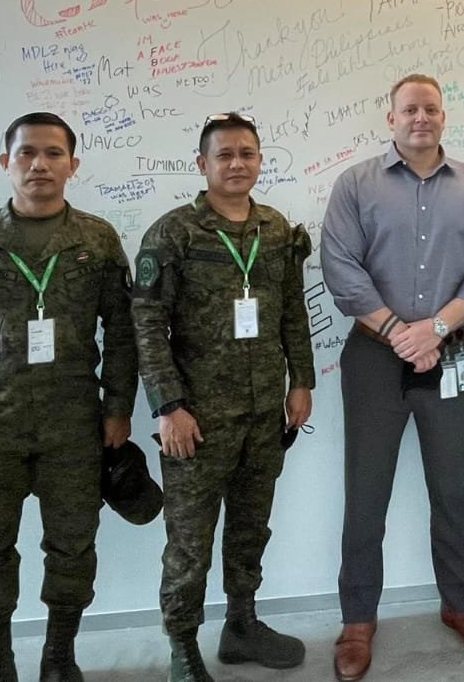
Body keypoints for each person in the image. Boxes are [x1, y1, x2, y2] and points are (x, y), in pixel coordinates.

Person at [0, 111, 138, 682]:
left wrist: (118, 409)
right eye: (27, 153)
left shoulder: (98, 240)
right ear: (5, 163)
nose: (40, 164)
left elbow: (126, 330)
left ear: (73, 165)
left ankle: (59, 658)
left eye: (54, 154)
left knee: (72, 549)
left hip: (74, 428)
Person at [321, 74, 464, 681]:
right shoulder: (356, 184)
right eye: (409, 109)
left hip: (451, 352)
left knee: (451, 489)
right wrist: (401, 332)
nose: (420, 117)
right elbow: (340, 266)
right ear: (390, 118)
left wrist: (435, 329)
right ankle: (357, 619)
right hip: (374, 356)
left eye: (430, 108)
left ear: (443, 117)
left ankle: (462, 606)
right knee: (366, 491)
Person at [131, 112, 315, 682]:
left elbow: (292, 308)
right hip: (196, 419)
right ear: (202, 164)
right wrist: (168, 407)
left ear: (260, 160)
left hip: (264, 415)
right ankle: (183, 648)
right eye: (224, 155)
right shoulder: (175, 232)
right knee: (188, 543)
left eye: (247, 154)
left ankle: (242, 625)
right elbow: (146, 323)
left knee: (250, 528)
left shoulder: (276, 228)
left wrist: (301, 381)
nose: (237, 164)